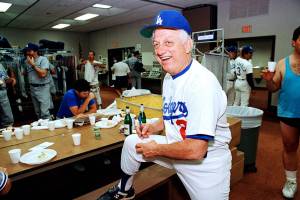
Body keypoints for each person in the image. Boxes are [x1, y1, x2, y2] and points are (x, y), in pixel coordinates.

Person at [98, 10, 232, 200]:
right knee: (131, 143)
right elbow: (175, 113)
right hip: (175, 148)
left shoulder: (202, 83)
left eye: (168, 42)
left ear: (188, 45)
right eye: (156, 44)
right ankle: (124, 189)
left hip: (205, 166)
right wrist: (154, 125)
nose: (160, 50)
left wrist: (156, 149)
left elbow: (196, 149)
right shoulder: (169, 77)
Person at [262, 26, 300, 199]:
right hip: (288, 113)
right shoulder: (282, 63)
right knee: (290, 147)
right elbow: (273, 88)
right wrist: (269, 81)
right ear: (294, 42)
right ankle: (291, 181)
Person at [24, 43, 52, 119]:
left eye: (30, 51)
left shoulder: (43, 59)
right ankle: (40, 129)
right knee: (37, 112)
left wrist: (33, 65)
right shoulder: (26, 62)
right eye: (27, 51)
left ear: (35, 51)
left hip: (43, 88)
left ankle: (49, 128)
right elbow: (25, 74)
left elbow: (43, 74)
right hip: (32, 88)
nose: (27, 53)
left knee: (44, 112)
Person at [0, 63, 15, 128]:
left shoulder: (0, 65)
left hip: (2, 91)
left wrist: (12, 79)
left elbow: (5, 79)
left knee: (8, 119)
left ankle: (7, 134)